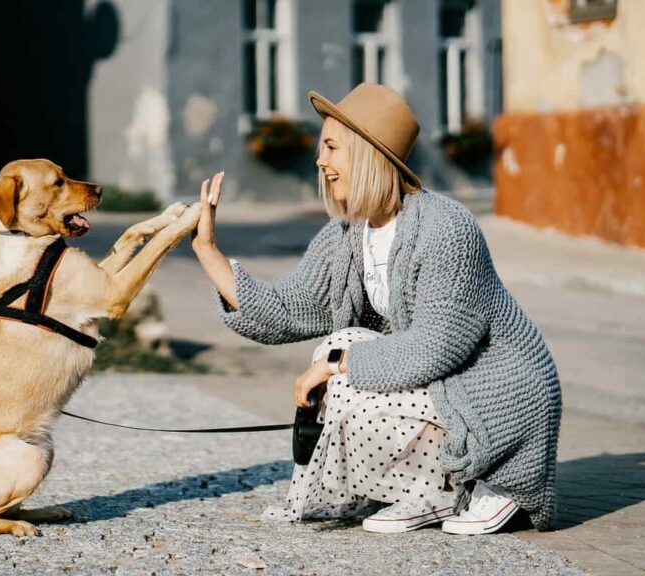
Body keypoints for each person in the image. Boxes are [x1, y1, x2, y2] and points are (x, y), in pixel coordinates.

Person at [189, 84, 561, 534]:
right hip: (443, 386)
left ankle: (482, 483)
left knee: (341, 361)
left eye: (331, 148)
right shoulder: (348, 234)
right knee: (340, 345)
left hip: (497, 393)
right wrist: (209, 252)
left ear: (367, 153)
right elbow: (287, 309)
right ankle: (425, 491)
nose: (320, 161)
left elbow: (435, 347)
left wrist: (334, 367)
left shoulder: (447, 228)